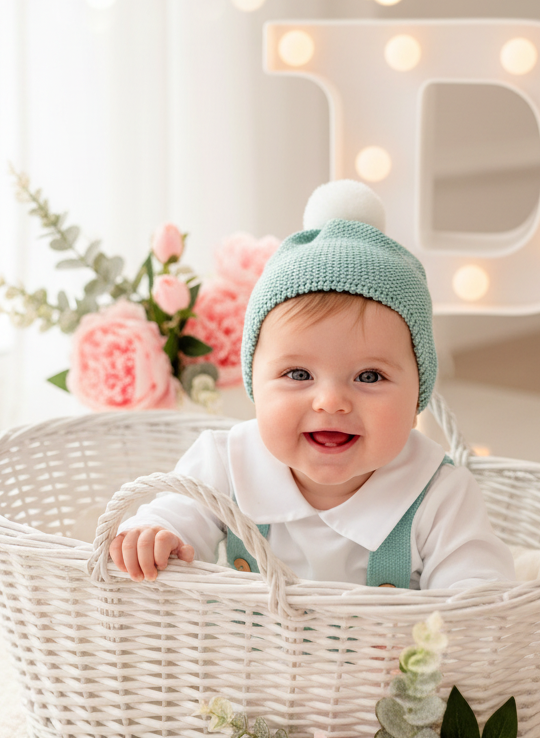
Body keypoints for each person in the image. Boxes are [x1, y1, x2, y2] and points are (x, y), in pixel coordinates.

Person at [110, 181, 515, 592]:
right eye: (299, 375)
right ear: (256, 386)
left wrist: (450, 623)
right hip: (246, 656)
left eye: (369, 376)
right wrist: (155, 533)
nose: (332, 401)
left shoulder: (435, 490)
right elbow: (177, 511)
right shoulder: (228, 462)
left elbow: (479, 591)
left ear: (417, 397)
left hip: (382, 658)